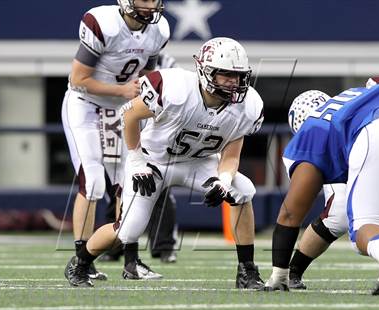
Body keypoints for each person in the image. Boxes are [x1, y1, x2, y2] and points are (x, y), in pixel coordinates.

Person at [64, 37, 265, 289]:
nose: (234, 83)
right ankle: (79, 264)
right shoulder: (175, 86)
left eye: (238, 76)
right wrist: (136, 161)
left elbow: (232, 155)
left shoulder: (248, 106)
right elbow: (129, 113)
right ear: (204, 71)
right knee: (127, 230)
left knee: (243, 190)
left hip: (198, 162)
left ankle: (246, 271)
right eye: (225, 75)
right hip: (153, 161)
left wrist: (223, 180)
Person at [61, 0, 169, 282]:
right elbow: (77, 79)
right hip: (86, 103)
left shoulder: (159, 30)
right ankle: (82, 259)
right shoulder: (102, 22)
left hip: (125, 109)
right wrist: (121, 90)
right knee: (94, 181)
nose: (150, 5)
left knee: (132, 180)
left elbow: (147, 77)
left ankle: (131, 261)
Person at [264, 83, 379, 296]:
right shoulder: (356, 95)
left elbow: (291, 213)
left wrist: (279, 273)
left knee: (365, 227)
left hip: (375, 133)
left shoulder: (312, 130)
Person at [100, 53, 180, 264]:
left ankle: (164, 246)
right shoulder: (117, 55)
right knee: (116, 187)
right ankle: (115, 245)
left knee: (159, 188)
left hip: (154, 131)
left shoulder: (166, 63)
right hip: (120, 123)